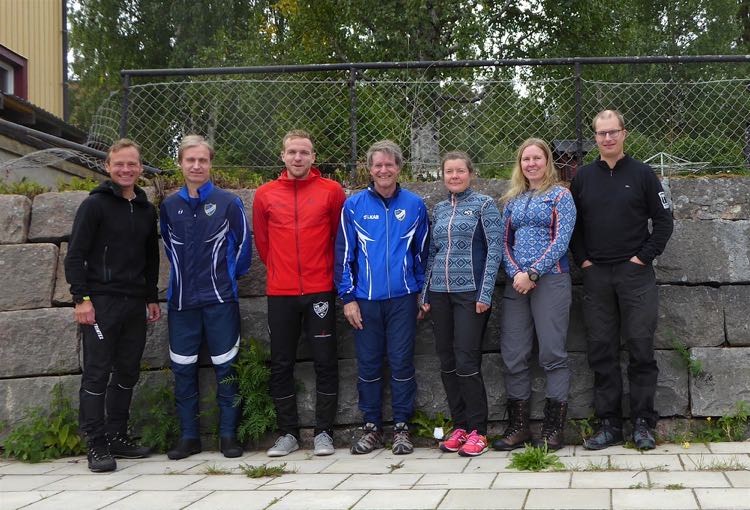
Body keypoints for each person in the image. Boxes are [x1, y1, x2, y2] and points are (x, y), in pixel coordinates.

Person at [570, 110, 673, 451]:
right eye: (601, 133)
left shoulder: (643, 174)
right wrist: (584, 261)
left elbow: (663, 222)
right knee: (601, 351)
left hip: (636, 275)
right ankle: (609, 424)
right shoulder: (583, 177)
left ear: (624, 134)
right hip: (596, 275)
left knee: (641, 347)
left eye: (613, 132)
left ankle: (643, 423)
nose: (608, 138)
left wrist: (641, 258)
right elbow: (573, 227)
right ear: (595, 138)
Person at [65, 139, 161, 472]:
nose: (125, 169)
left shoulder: (147, 210)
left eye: (131, 164)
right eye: (119, 164)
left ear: (140, 167)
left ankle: (117, 435)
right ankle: (96, 443)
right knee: (96, 373)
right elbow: (75, 254)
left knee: (127, 371)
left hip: (135, 302)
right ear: (108, 166)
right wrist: (81, 298)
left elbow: (151, 258)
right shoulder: (95, 205)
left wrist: (151, 296)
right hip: (100, 303)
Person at [253, 130, 346, 457]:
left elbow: (339, 239)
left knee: (325, 362)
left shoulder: (332, 191)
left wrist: (324, 275)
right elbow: (263, 245)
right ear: (282, 156)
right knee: (281, 363)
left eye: (304, 153)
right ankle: (288, 433)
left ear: (313, 157)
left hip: (321, 290)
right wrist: (282, 272)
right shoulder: (265, 194)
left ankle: (324, 433)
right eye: (292, 152)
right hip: (281, 293)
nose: (297, 158)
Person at [160, 134, 252, 460]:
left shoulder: (229, 203)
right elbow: (169, 250)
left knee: (226, 367)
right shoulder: (169, 206)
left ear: (211, 163)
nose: (196, 165)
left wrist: (224, 279)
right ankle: (189, 437)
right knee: (183, 370)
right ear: (181, 164)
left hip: (219, 300)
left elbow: (243, 249)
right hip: (182, 302)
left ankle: (228, 436)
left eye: (202, 160)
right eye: (190, 160)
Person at [335, 140, 430, 455]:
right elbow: (343, 255)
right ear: (370, 169)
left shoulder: (415, 205)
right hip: (365, 301)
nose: (384, 170)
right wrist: (347, 297)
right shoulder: (353, 206)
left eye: (389, 164)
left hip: (403, 299)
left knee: (402, 363)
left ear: (398, 168)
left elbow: (423, 256)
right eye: (378, 165)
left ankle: (402, 427)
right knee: (369, 365)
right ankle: (371, 426)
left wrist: (421, 295)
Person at [493, 138, 576, 452]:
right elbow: (504, 242)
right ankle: (519, 428)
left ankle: (553, 430)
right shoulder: (513, 200)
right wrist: (516, 273)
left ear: (547, 162)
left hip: (550, 281)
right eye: (525, 159)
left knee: (552, 355)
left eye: (537, 158)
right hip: (516, 284)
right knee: (514, 355)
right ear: (520, 164)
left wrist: (534, 273)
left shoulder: (560, 196)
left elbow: (561, 240)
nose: (531, 164)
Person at [419, 151, 503, 457]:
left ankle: (479, 431)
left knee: (467, 363)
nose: (454, 176)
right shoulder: (439, 208)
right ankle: (461, 427)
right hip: (440, 294)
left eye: (460, 171)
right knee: (447, 362)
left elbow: (495, 250)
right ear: (443, 176)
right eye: (449, 172)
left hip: (471, 295)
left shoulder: (484, 205)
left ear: (471, 173)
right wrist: (425, 294)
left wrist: (485, 293)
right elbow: (432, 254)